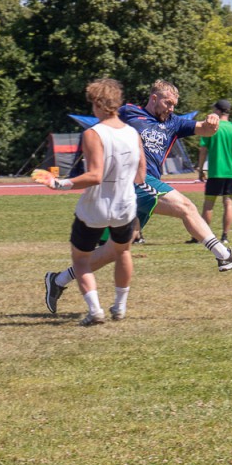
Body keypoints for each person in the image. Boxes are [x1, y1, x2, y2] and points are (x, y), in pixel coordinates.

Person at [41, 80, 232, 307]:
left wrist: (212, 122)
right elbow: (104, 128)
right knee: (186, 207)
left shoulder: (174, 122)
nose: (171, 108)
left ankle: (58, 280)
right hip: (135, 181)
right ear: (154, 98)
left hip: (146, 184)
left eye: (174, 105)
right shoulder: (129, 112)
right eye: (168, 103)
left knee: (115, 250)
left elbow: (204, 129)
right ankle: (223, 255)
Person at [33, 79, 146, 325]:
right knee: (123, 251)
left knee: (81, 259)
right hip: (125, 205)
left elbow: (95, 176)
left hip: (96, 207)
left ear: (98, 103)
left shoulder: (93, 133)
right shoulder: (133, 133)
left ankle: (95, 310)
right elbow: (141, 175)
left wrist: (59, 183)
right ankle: (120, 306)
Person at [191, 99, 232, 245]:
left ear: (217, 111)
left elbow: (203, 150)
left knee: (209, 205)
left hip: (216, 171)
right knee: (228, 203)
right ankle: (225, 236)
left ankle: (203, 237)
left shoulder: (211, 128)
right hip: (231, 173)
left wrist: (201, 169)